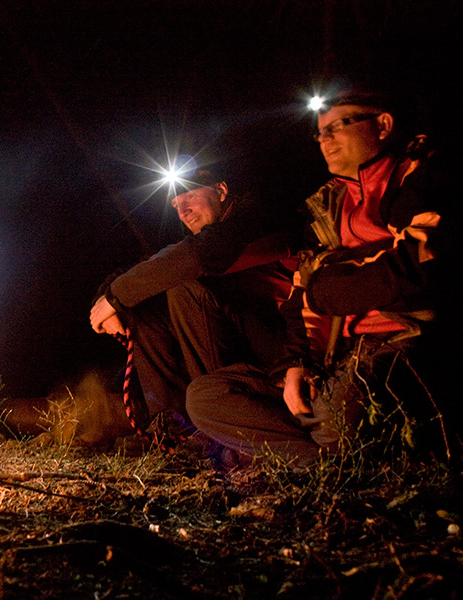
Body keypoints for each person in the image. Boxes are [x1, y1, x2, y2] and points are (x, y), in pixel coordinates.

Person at [186, 87, 462, 468]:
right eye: (320, 132)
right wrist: (296, 363)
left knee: (341, 413)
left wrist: (327, 286)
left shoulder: (421, 175)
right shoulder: (328, 204)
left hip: (406, 341)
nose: (325, 139)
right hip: (337, 355)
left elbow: (418, 270)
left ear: (382, 125)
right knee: (207, 394)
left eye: (338, 126)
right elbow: (303, 293)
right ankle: (315, 454)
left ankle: (294, 454)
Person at [90, 167, 297, 437]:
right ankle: (170, 426)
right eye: (176, 204)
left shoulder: (255, 217)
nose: (182, 211)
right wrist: (107, 300)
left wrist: (116, 297)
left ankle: (217, 424)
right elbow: (150, 264)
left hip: (290, 342)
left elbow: (198, 257)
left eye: (189, 196)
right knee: (148, 310)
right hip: (250, 339)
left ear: (221, 191)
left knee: (186, 284)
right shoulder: (211, 233)